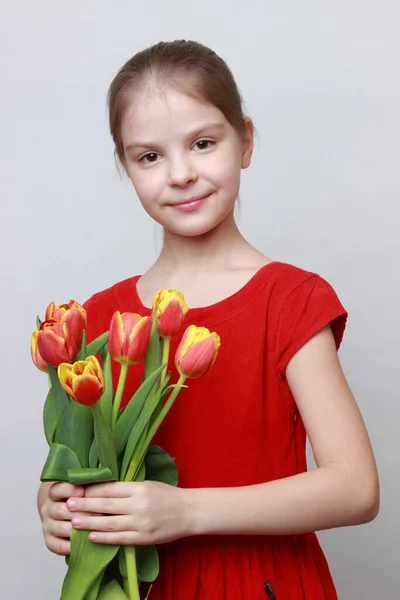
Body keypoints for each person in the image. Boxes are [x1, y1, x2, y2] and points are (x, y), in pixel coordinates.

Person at [37, 40, 379, 599]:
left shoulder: (290, 299)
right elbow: (87, 459)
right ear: (125, 166)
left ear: (245, 141)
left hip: (265, 582)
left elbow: (357, 487)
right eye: (148, 156)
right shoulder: (98, 318)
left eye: (201, 143)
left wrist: (185, 512)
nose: (179, 174)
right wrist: (58, 503)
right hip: (146, 585)